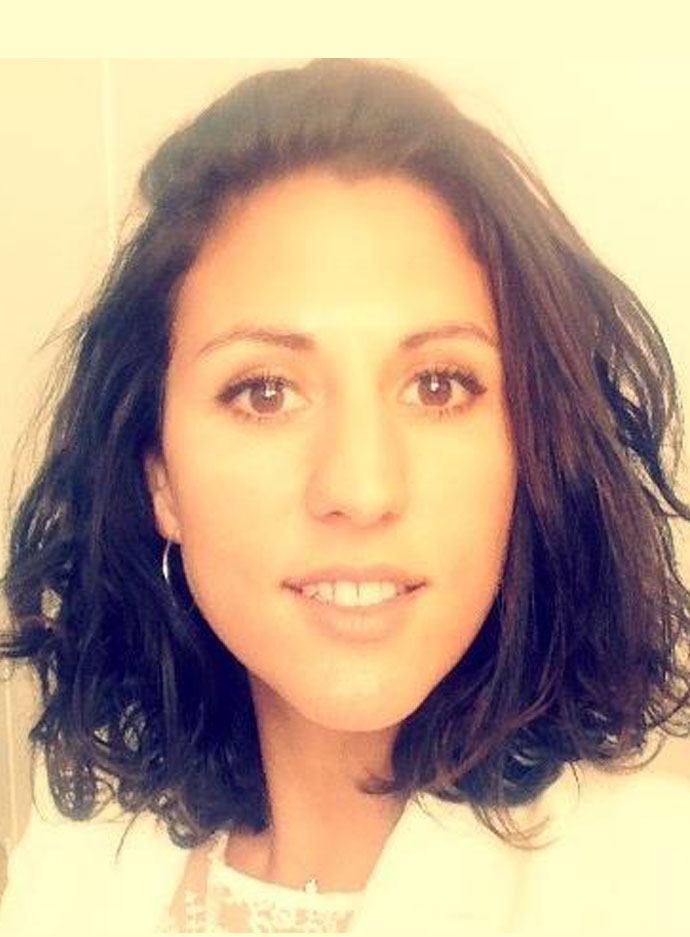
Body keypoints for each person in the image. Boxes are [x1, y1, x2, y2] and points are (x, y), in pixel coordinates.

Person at [1, 57, 690, 935]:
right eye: (264, 392)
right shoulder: (71, 868)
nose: (361, 488)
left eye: (438, 385)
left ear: (531, 451)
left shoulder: (660, 884)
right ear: (159, 480)